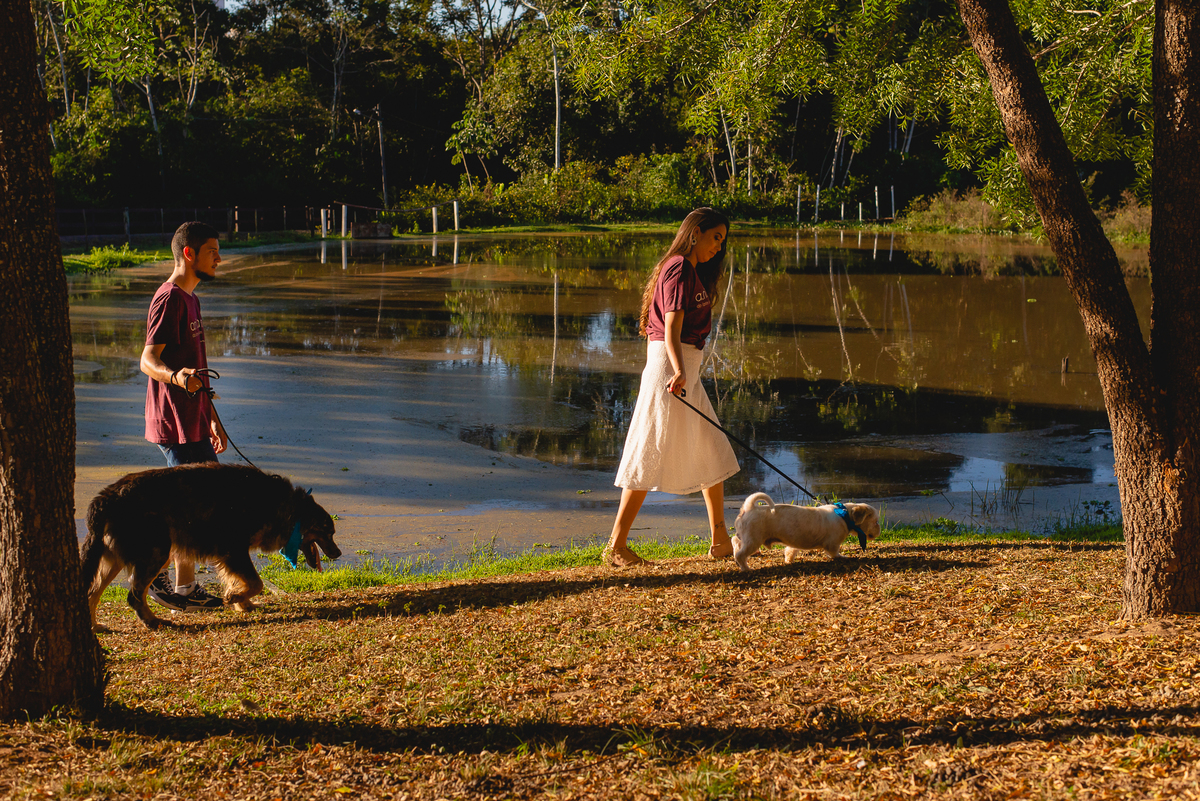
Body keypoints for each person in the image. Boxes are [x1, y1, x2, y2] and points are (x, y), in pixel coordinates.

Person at [604, 208, 741, 567]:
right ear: (695, 232)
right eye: (715, 237)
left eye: (722, 241)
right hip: (670, 368)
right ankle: (616, 545)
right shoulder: (679, 267)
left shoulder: (690, 270)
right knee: (648, 449)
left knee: (712, 446)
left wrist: (686, 370)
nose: (718, 246)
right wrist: (679, 370)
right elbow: (671, 326)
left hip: (684, 368)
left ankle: (721, 540)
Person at [138, 221, 228, 611]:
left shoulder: (192, 299)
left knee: (203, 501)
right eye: (213, 251)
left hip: (194, 419)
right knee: (187, 508)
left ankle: (182, 586)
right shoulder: (169, 297)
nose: (220, 259)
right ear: (189, 254)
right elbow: (147, 360)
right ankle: (164, 580)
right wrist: (176, 377)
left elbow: (198, 368)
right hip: (172, 422)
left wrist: (213, 418)